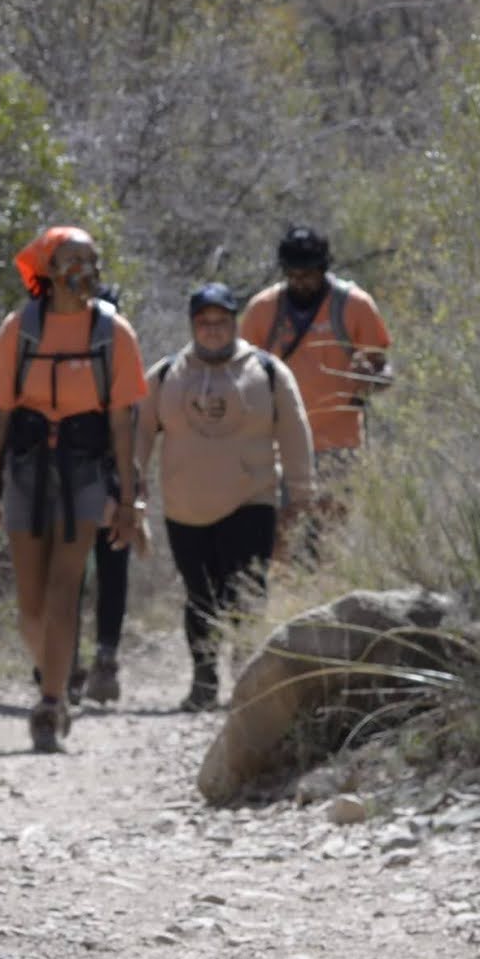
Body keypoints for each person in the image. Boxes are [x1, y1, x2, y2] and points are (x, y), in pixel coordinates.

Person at [0, 224, 143, 752]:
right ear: (47, 269)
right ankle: (57, 673)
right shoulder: (18, 331)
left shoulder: (115, 335)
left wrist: (129, 498)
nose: (84, 271)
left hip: (85, 473)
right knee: (30, 604)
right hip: (24, 471)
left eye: (91, 259)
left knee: (66, 591)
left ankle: (49, 703)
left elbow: (122, 425)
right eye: (72, 260)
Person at [151, 280, 315, 710]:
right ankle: (203, 681)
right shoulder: (167, 375)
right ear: (192, 325)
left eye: (221, 321)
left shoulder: (267, 372)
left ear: (234, 323)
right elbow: (134, 435)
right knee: (200, 596)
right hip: (185, 504)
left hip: (251, 498)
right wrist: (128, 495)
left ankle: (246, 680)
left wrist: (301, 493)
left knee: (246, 591)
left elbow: (295, 433)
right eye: (204, 322)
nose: (212, 330)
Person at [255, 222, 394, 467]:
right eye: (292, 275)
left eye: (307, 274)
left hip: (341, 447)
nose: (299, 282)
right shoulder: (262, 309)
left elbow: (385, 372)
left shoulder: (355, 305)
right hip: (279, 449)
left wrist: (370, 378)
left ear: (323, 268)